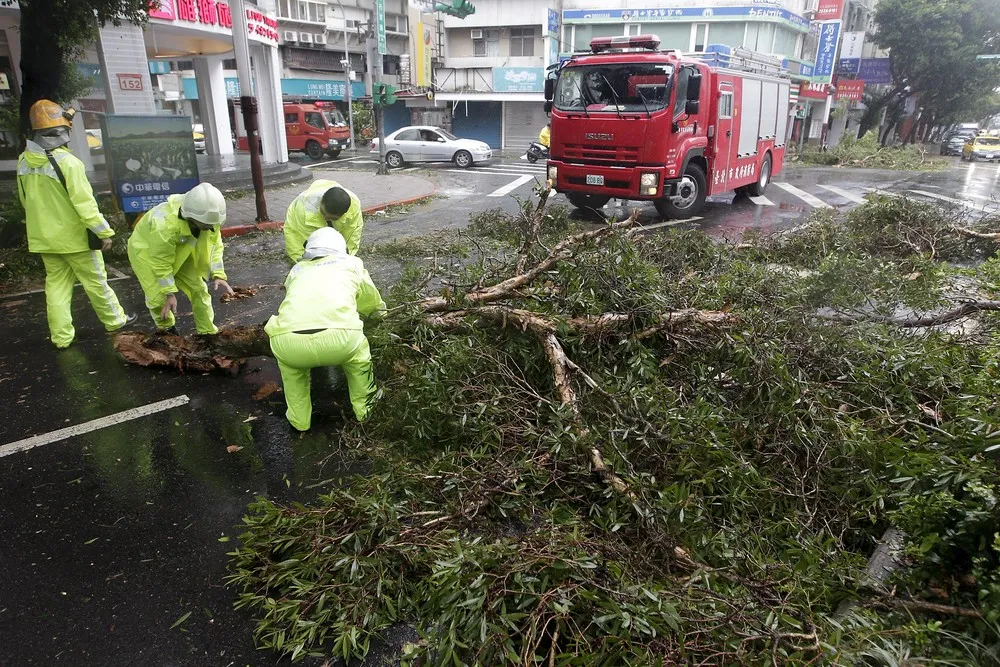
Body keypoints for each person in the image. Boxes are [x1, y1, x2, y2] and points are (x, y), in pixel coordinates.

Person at [17, 99, 135, 349]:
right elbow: (85, 204)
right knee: (96, 282)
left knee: (56, 287)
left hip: (44, 239)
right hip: (75, 239)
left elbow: (24, 200)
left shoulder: (23, 162)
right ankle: (115, 321)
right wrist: (104, 232)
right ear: (61, 132)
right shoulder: (68, 163)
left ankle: (61, 337)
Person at [265, 227, 386, 430]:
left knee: (293, 374)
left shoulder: (297, 269)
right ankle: (366, 413)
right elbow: (370, 301)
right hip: (341, 340)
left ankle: (300, 421)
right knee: (359, 361)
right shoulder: (352, 263)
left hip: (288, 342)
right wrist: (378, 316)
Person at [127, 182, 233, 335]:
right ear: (191, 217)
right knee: (159, 300)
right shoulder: (165, 225)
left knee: (199, 290)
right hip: (146, 250)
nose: (207, 228)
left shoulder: (209, 219)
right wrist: (169, 293)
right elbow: (160, 261)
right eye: (204, 225)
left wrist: (218, 273)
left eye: (210, 225)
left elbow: (215, 245)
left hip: (181, 248)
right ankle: (168, 332)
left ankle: (208, 333)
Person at [284, 180, 363, 262]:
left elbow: (352, 236)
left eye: (333, 218)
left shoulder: (353, 207)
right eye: (323, 213)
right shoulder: (304, 209)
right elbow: (308, 244)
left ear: (344, 214)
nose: (325, 218)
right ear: (321, 201)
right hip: (300, 229)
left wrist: (345, 260)